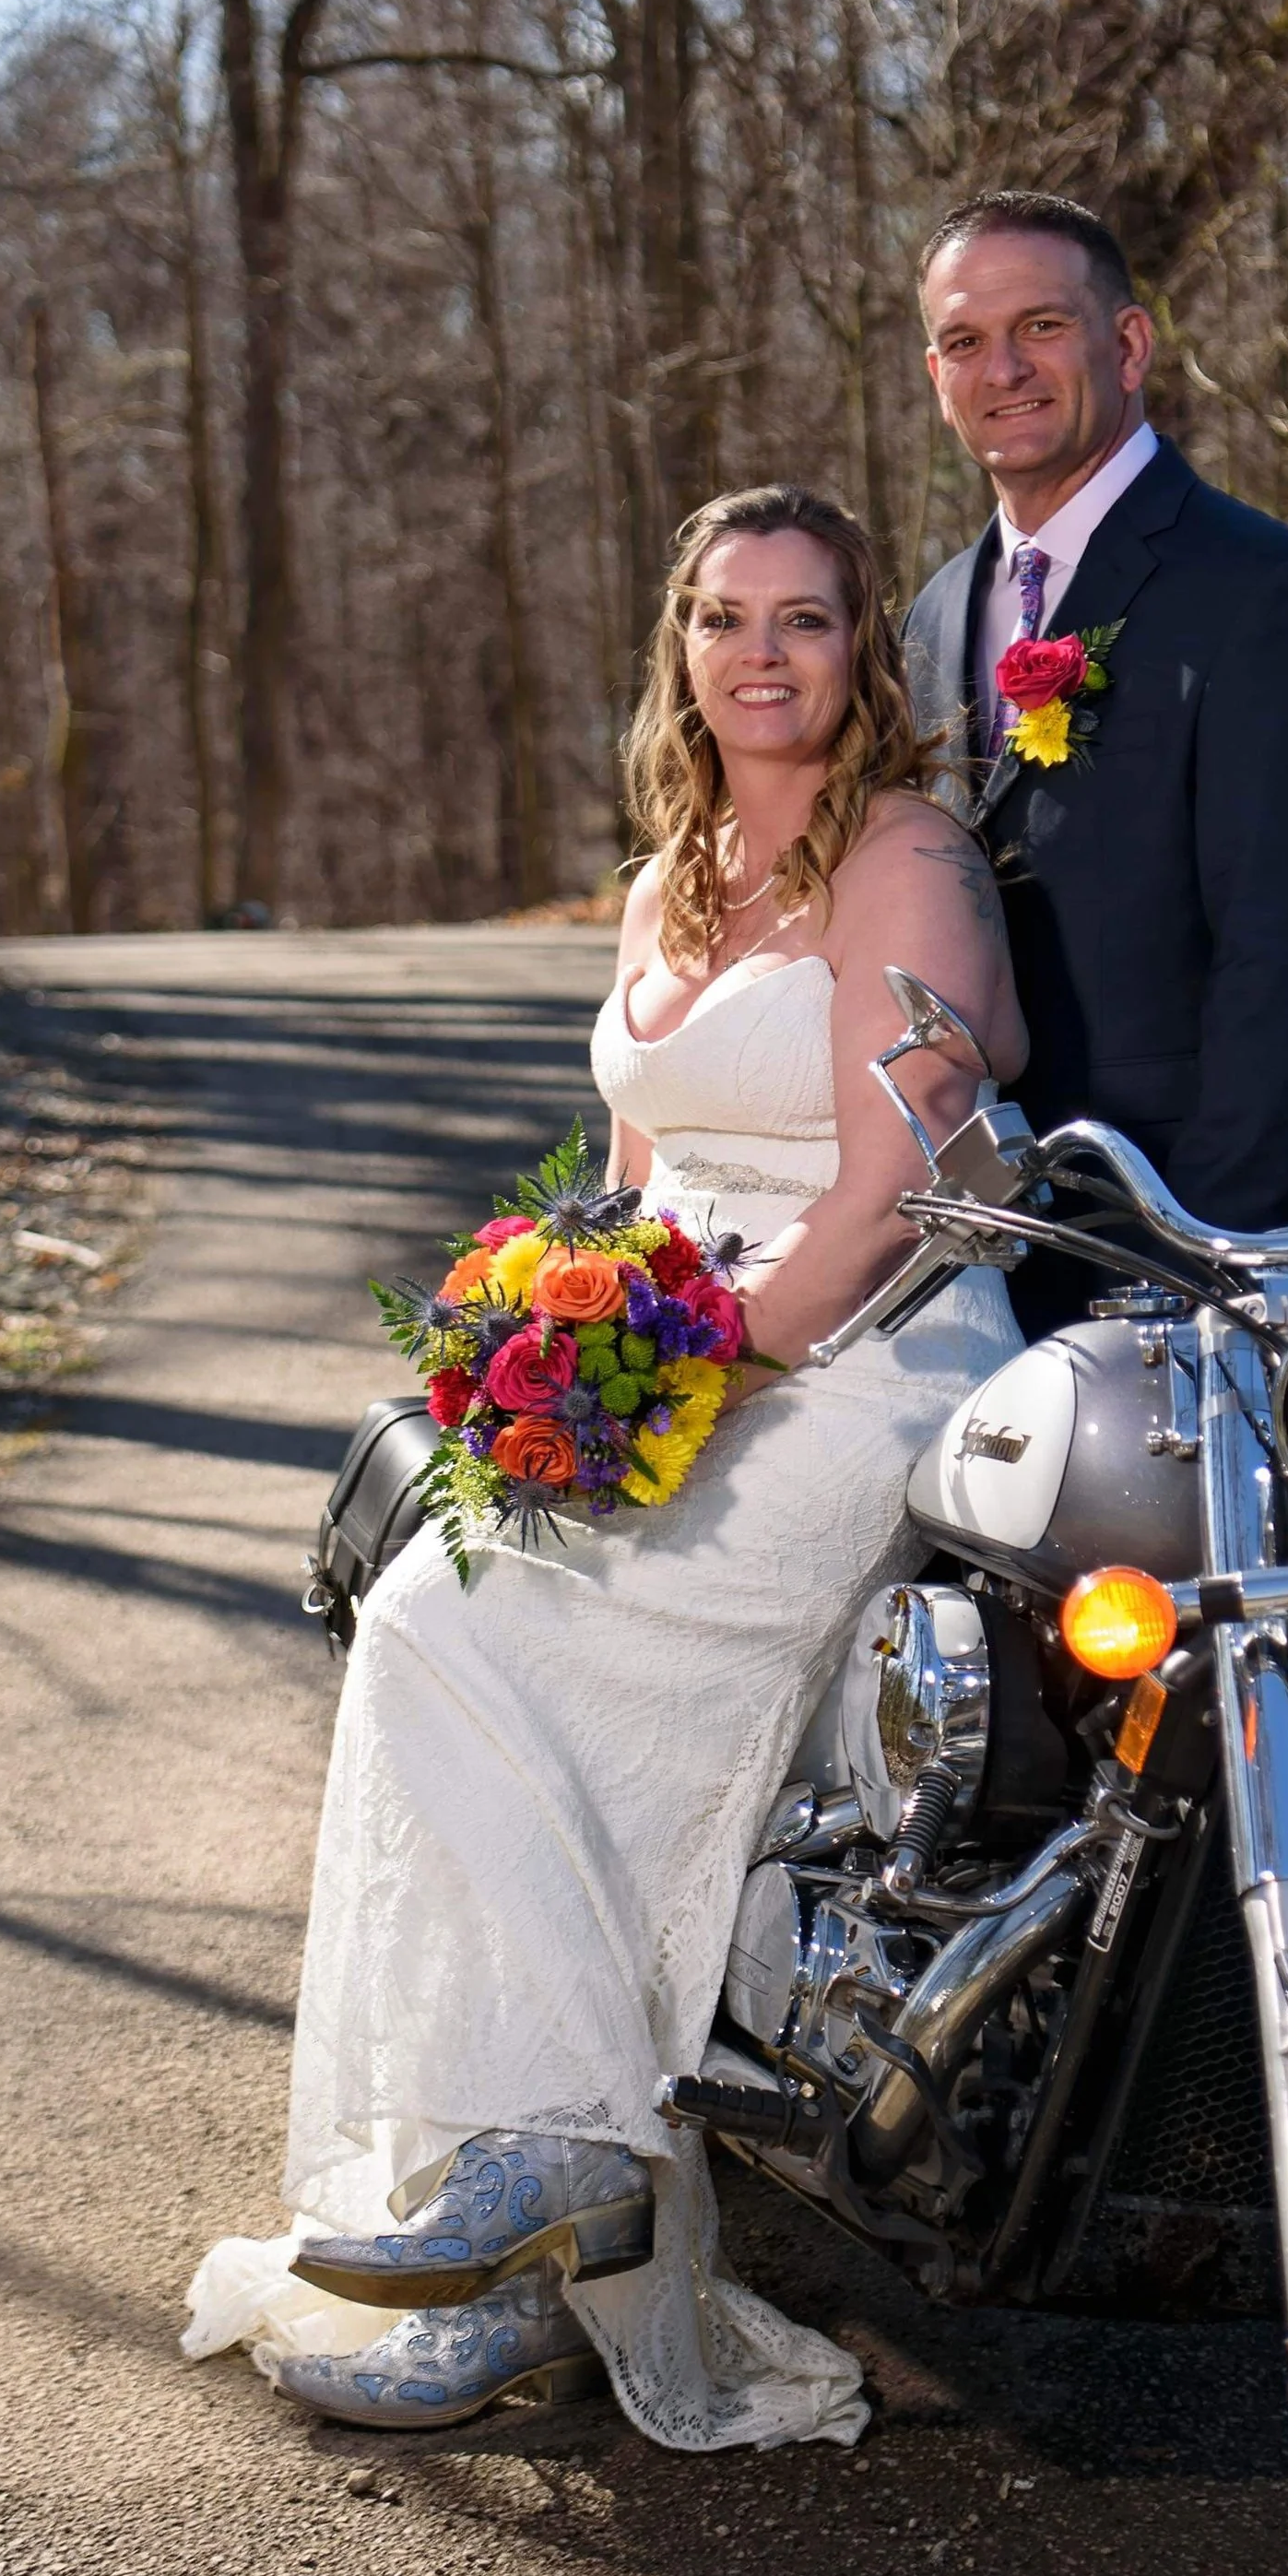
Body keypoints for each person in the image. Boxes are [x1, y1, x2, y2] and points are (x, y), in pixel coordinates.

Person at [183, 483, 1024, 2450]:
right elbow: (638, 1189)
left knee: (534, 1647)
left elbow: (895, 1200)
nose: (760, 655)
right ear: (679, 651)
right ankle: (515, 2189)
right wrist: (561, 1342)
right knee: (421, 1617)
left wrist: (697, 1376)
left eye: (803, 620)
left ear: (855, 655)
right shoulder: (671, 875)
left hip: (864, 1349)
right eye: (723, 619)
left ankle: (563, 2158)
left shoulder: (906, 858)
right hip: (687, 1347)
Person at [904, 190, 1288, 1326]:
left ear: (1127, 345)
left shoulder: (1267, 592)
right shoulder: (932, 618)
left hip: (1217, 1249)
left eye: (1041, 326)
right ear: (937, 378)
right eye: (966, 343)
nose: (1003, 370)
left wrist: (1196, 1261)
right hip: (1001, 1261)